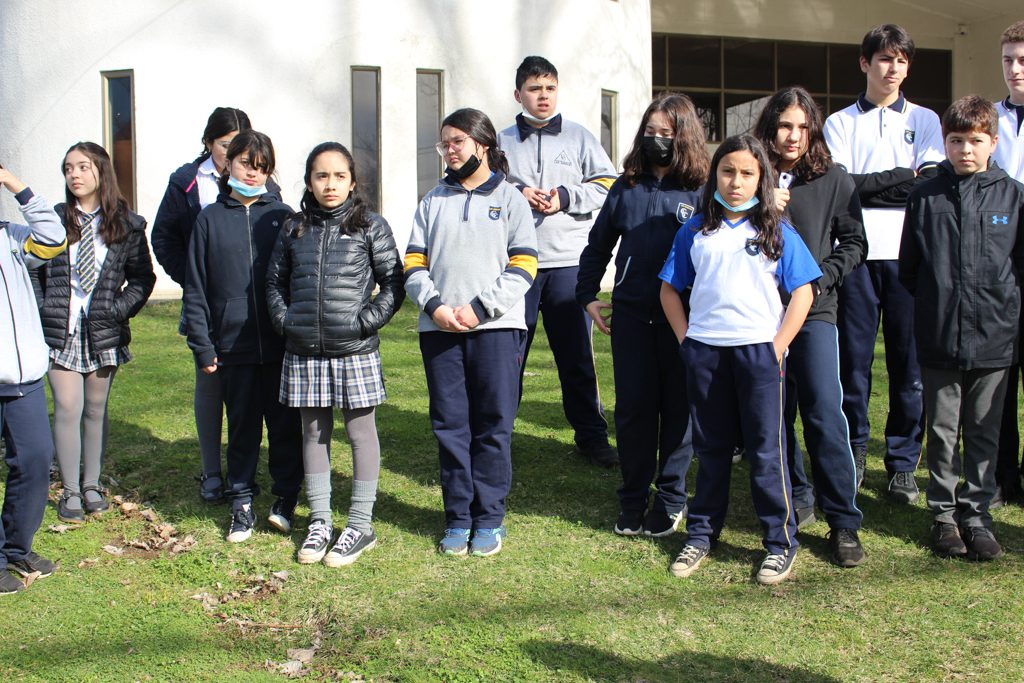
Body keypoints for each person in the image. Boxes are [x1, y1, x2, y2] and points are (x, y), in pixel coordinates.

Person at [659, 134, 821, 585]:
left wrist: (777, 346)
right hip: (705, 353)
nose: (736, 181)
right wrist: (687, 340)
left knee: (766, 450)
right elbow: (669, 289)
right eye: (728, 171)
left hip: (759, 354)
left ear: (761, 179)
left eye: (747, 173)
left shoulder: (776, 230)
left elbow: (804, 292)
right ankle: (701, 535)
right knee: (711, 449)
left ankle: (780, 543)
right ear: (715, 175)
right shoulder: (695, 230)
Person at [405, 108, 537, 558]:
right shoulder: (432, 201)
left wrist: (480, 310)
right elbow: (413, 263)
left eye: (457, 141)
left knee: (493, 425)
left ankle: (490, 517)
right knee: (450, 425)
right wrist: (436, 307)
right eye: (444, 143)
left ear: (483, 143)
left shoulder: (512, 199)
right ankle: (458, 517)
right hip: (439, 329)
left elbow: (525, 265)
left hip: (496, 329)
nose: (449, 150)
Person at [576, 92, 707, 538]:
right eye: (650, 132)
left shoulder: (701, 190)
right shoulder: (626, 187)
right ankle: (632, 496)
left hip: (683, 320)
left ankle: (670, 497)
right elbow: (598, 245)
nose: (656, 140)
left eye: (666, 133)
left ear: (684, 136)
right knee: (633, 411)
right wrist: (587, 294)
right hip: (630, 317)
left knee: (678, 411)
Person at [266, 142, 403, 566]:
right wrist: (287, 322)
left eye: (339, 176)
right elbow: (274, 283)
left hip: (354, 349)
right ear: (309, 181)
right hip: (304, 348)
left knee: (361, 433)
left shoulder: (370, 226)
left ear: (353, 181)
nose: (330, 184)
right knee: (313, 433)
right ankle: (320, 522)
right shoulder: (293, 228)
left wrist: (363, 322)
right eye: (321, 176)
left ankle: (360, 525)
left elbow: (393, 283)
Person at [899, 95, 1024, 560]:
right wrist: (940, 301)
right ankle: (944, 517)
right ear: (945, 142)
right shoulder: (924, 195)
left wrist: (1002, 307)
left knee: (985, 429)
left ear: (993, 141)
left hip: (995, 334)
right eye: (955, 141)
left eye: (975, 141)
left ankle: (978, 516)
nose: (965, 150)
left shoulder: (1013, 197)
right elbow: (910, 268)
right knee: (943, 431)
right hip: (940, 334)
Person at [824, 24, 945, 504]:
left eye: (901, 60)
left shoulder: (926, 120)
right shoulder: (839, 123)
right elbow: (842, 187)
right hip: (855, 255)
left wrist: (873, 184)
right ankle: (854, 452)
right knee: (853, 365)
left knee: (907, 366)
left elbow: (928, 183)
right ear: (865, 63)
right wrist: (901, 177)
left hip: (910, 256)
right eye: (884, 59)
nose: (892, 69)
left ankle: (902, 463)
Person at [753, 87, 868, 567]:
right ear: (770, 127)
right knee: (774, 416)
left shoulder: (833, 178)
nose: (793, 136)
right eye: (785, 125)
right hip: (760, 314)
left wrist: (822, 280)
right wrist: (764, 205)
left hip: (815, 313)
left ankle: (842, 520)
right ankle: (794, 497)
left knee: (823, 411)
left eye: (803, 127)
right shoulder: (749, 172)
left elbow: (854, 242)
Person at [497, 56, 619, 468]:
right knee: (510, 355)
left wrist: (566, 197)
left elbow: (608, 184)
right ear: (518, 95)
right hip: (516, 265)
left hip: (568, 262)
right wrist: (519, 193)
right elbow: (487, 185)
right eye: (534, 89)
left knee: (577, 357)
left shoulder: (580, 137)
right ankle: (499, 435)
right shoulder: (499, 142)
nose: (543, 96)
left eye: (549, 88)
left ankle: (592, 437)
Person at [184, 130, 303, 543]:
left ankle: (285, 497)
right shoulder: (209, 219)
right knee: (242, 427)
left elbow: (298, 279)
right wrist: (203, 345)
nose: (253, 173)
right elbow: (196, 288)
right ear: (228, 163)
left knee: (285, 427)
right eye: (246, 164)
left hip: (281, 345)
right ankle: (241, 500)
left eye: (262, 167)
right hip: (232, 347)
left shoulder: (283, 216)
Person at [36, 142, 155, 523]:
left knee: (95, 408)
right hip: (62, 328)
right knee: (68, 406)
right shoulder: (54, 220)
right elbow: (34, 271)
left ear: (101, 172)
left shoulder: (127, 224)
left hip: (103, 330)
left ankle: (92, 484)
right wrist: (43, 308)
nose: (74, 174)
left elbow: (143, 278)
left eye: (83, 167)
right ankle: (70, 490)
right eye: (68, 168)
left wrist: (117, 310)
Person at [151, 107, 253, 504]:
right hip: (206, 305)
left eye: (239, 144)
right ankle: (212, 470)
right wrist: (192, 279)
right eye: (226, 144)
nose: (233, 153)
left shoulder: (262, 181)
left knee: (247, 391)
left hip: (249, 307)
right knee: (209, 384)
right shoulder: (187, 182)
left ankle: (245, 470)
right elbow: (164, 238)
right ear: (209, 142)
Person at [0, 166, 66, 594]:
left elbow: (54, 238)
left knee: (36, 461)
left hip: (23, 379)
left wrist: (15, 185)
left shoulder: (10, 237)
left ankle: (15, 547)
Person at [993, 20, 1024, 508]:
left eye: (1022, 60)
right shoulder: (989, 120)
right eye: (1009, 60)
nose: (1015, 69)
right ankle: (1001, 475)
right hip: (997, 261)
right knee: (999, 374)